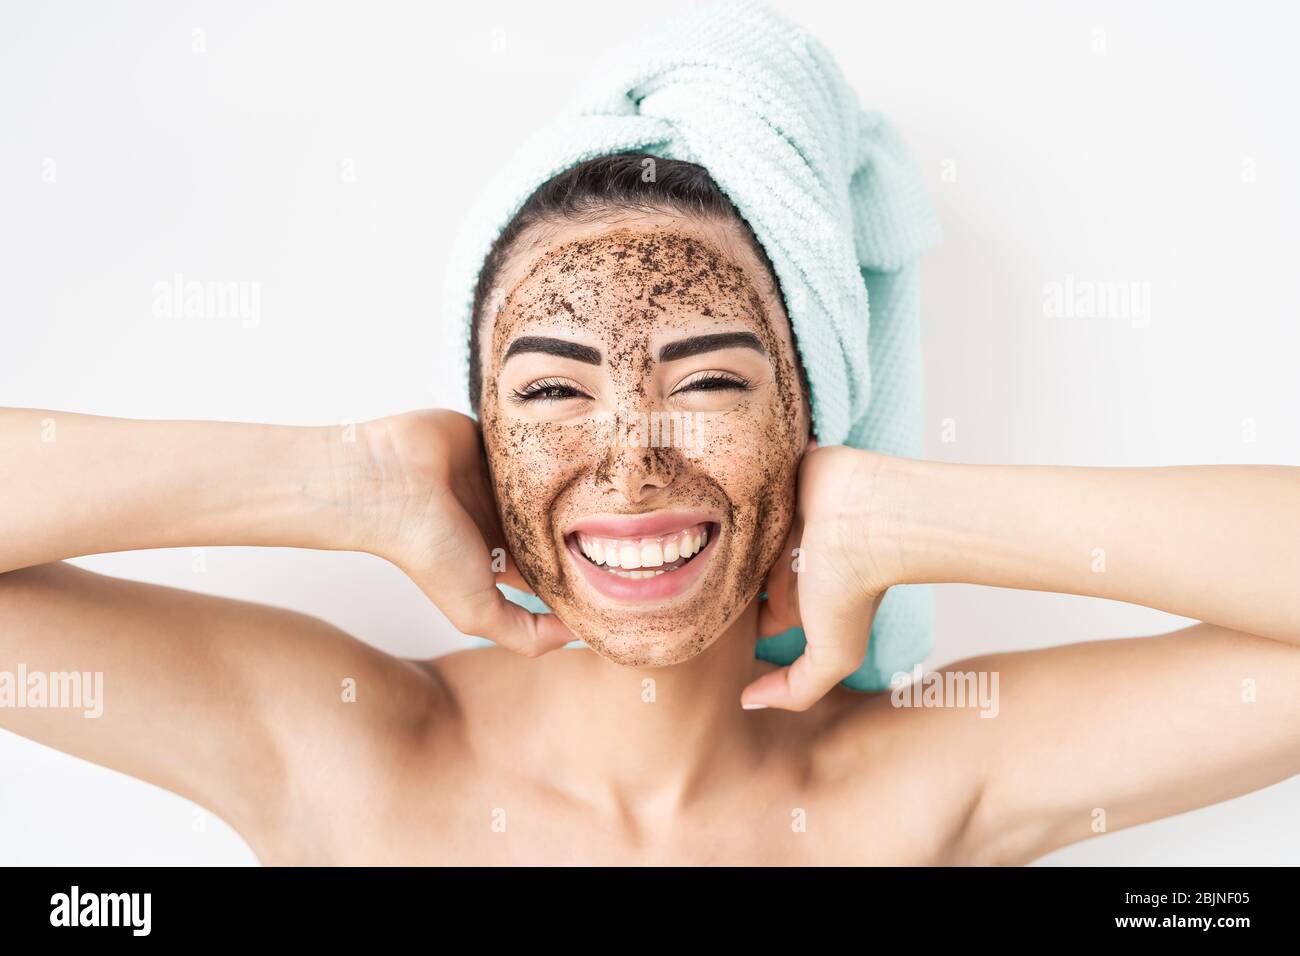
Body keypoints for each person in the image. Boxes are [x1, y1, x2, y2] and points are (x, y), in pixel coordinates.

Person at [3, 156, 1298, 866]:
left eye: (712, 380)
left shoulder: (922, 786)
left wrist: (910, 512)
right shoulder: (341, 753)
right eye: (554, 389)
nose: (631, 462)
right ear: (480, 448)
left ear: (808, 416)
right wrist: (339, 481)